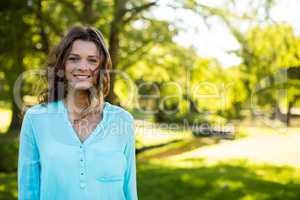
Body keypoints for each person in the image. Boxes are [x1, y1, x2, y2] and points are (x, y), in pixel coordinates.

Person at [18, 26, 138, 200]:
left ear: (102, 67)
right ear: (62, 65)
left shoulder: (123, 121)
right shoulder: (36, 119)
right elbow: (28, 191)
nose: (83, 67)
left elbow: (129, 190)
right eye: (74, 59)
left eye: (92, 60)